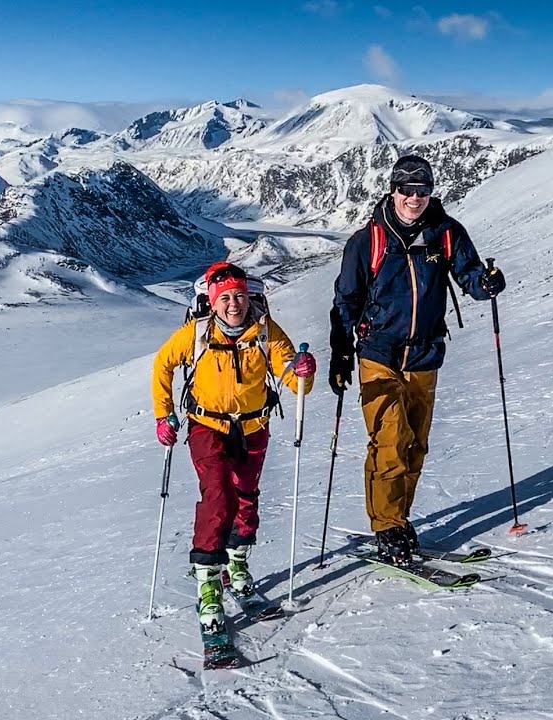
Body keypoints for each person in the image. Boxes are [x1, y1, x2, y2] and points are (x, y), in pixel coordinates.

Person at [327, 154, 506, 566]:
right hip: (379, 355)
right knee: (388, 443)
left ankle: (400, 517)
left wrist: (487, 283)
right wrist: (340, 351)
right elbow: (346, 300)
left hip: (425, 354)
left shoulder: (445, 234)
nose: (414, 198)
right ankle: (387, 526)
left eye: (422, 190)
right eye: (407, 190)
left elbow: (470, 278)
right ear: (393, 190)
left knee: (415, 446)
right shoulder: (367, 241)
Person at [152, 261, 316, 634]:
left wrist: (304, 371)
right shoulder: (195, 333)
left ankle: (236, 566)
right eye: (224, 297)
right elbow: (163, 364)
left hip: (254, 426)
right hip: (207, 426)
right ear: (211, 302)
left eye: (239, 296)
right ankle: (208, 581)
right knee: (218, 496)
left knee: (246, 497)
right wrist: (163, 415)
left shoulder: (265, 331)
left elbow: (293, 377)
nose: (233, 304)